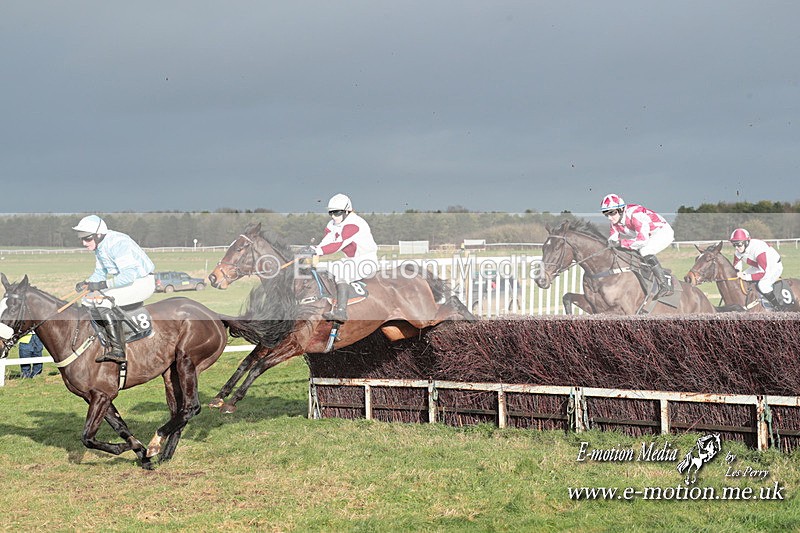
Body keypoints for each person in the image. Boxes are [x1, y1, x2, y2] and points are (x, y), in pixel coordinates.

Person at [73, 215, 156, 363]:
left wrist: (101, 285)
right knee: (87, 301)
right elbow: (100, 273)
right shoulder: (100, 246)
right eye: (81, 238)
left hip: (142, 282)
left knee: (102, 302)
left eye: (87, 238)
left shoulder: (119, 243)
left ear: (98, 235)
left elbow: (128, 276)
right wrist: (87, 283)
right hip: (129, 282)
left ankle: (118, 350)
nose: (84, 243)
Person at [304, 193, 378, 322]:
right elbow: (327, 241)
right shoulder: (332, 224)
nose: (333, 216)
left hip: (367, 261)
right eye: (331, 213)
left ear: (347, 211)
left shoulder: (355, 223)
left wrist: (317, 250)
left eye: (337, 213)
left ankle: (341, 312)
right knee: (325, 271)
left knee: (341, 274)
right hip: (350, 261)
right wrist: (313, 250)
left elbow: (339, 244)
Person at [600, 193, 675, 298]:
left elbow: (642, 240)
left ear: (621, 209)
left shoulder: (636, 215)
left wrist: (621, 243)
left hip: (662, 232)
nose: (609, 217)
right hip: (646, 235)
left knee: (645, 251)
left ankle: (665, 284)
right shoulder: (615, 221)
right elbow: (613, 240)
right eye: (606, 214)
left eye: (611, 213)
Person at [729, 228, 783, 309]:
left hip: (774, 266)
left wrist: (746, 276)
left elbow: (763, 273)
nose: (736, 247)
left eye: (739, 244)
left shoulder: (758, 249)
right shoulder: (738, 251)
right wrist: (738, 272)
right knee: (741, 279)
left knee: (763, 285)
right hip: (759, 266)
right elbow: (736, 265)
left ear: (746, 242)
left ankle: (777, 306)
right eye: (734, 245)